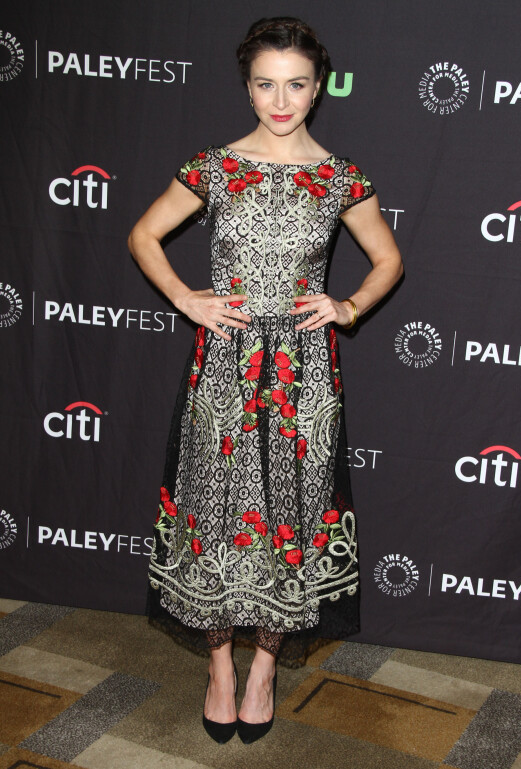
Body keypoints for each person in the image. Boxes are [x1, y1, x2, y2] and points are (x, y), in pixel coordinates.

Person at [128, 16, 403, 744]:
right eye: (265, 84)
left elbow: (388, 261)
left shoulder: (341, 177)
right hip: (224, 363)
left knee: (292, 516)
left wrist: (347, 306)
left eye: (296, 84)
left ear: (318, 88)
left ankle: (263, 667)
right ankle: (220, 663)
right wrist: (188, 298)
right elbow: (144, 235)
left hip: (305, 375)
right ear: (247, 86)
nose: (280, 101)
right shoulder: (216, 166)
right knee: (214, 511)